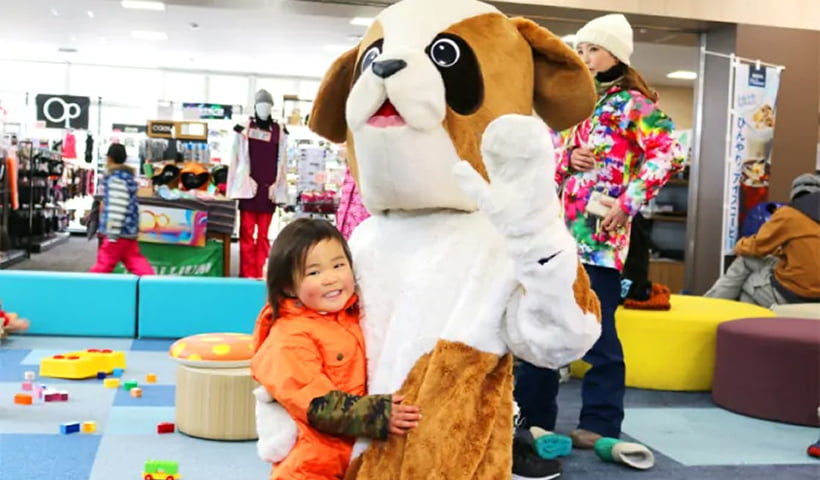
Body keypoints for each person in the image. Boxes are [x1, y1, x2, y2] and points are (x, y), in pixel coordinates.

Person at [514, 13, 685, 449]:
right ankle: (532, 418)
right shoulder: (572, 104)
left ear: (617, 55)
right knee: (541, 325)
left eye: (593, 49)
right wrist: (566, 158)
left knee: (599, 332)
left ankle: (602, 423)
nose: (585, 57)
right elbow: (546, 160)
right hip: (554, 237)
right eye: (580, 49)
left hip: (600, 240)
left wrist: (629, 203)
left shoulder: (633, 104)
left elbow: (669, 152)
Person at [251, 218, 421, 479]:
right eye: (313, 272)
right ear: (288, 287)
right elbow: (317, 403)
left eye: (338, 265)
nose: (330, 278)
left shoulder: (349, 315)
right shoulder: (288, 339)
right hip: (310, 468)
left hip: (346, 460)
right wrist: (376, 413)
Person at [705, 173, 820, 306]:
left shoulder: (791, 214)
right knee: (754, 264)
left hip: (796, 294)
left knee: (747, 275)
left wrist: (739, 245)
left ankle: (710, 307)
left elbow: (756, 247)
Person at [89, 144, 155, 276]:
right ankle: (151, 283)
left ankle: (87, 286)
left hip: (118, 233)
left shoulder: (116, 178)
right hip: (128, 231)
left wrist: (113, 233)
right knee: (135, 261)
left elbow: (117, 205)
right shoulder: (127, 177)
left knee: (104, 264)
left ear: (109, 158)